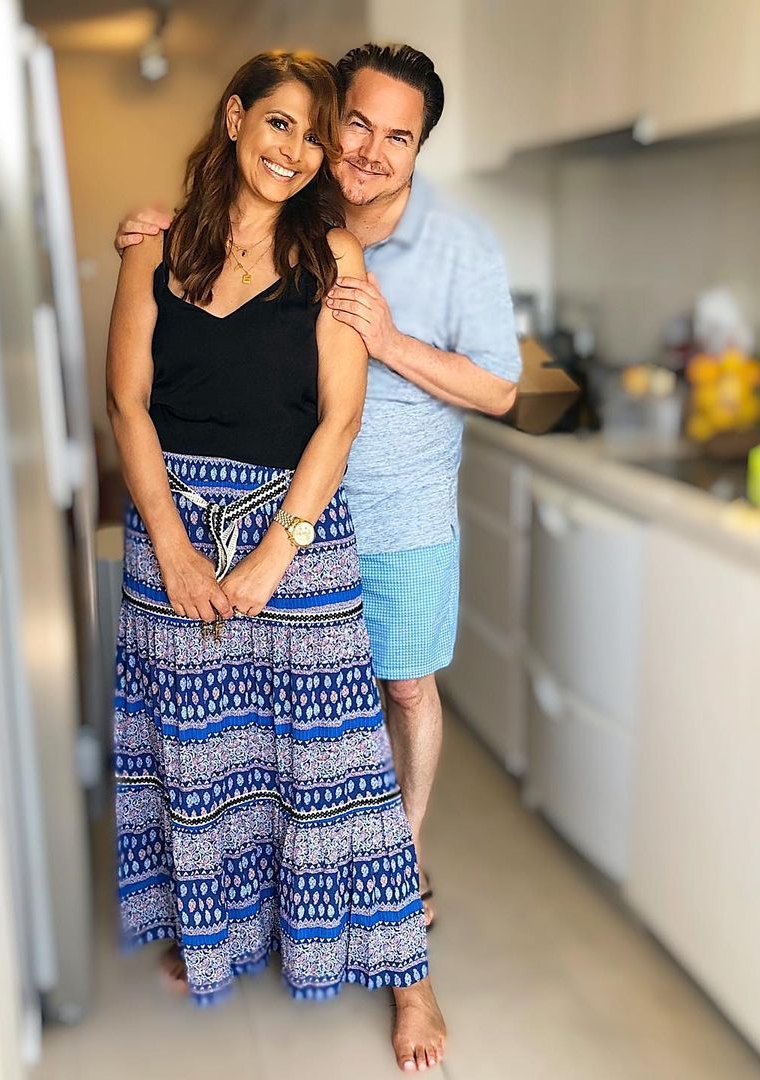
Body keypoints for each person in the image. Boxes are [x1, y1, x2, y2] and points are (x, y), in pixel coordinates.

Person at [116, 43, 522, 930]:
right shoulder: (297, 203)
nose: (369, 151)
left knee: (403, 692)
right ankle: (281, 897)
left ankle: (400, 869)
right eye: (356, 127)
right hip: (296, 514)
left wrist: (389, 340)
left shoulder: (458, 248)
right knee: (282, 726)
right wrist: (153, 233)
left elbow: (502, 389)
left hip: (401, 516)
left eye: (398, 138)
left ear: (419, 150)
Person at [106, 50, 445, 1071]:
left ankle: (409, 981)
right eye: (280, 124)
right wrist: (173, 549)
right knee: (201, 759)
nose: (295, 152)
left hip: (296, 537)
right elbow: (127, 403)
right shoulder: (153, 245)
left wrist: (270, 558)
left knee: (340, 766)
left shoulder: (334, 256)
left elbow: (340, 420)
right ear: (235, 117)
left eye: (314, 135)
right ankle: (213, 933)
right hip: (167, 535)